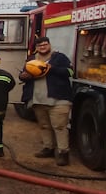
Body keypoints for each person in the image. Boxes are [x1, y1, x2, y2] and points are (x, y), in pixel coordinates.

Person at [20, 36, 74, 166]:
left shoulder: (59, 57)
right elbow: (22, 74)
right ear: (36, 48)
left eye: (45, 45)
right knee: (44, 126)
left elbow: (70, 72)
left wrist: (50, 68)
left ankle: (63, 153)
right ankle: (48, 148)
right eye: (40, 46)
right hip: (38, 99)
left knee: (60, 126)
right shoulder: (31, 59)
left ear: (49, 45)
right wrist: (23, 76)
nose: (42, 47)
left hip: (59, 99)